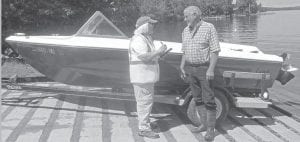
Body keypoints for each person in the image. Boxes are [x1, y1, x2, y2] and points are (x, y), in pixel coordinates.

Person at [180, 6, 221, 141]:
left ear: (195, 14)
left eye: (187, 16)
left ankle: (210, 130)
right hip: (190, 69)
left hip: (204, 69)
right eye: (184, 16)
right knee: (197, 98)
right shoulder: (185, 31)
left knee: (209, 99)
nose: (185, 19)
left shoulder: (209, 27)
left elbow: (215, 50)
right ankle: (203, 125)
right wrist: (182, 66)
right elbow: (184, 52)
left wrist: (210, 69)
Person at [128, 16, 167, 139]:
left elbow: (149, 56)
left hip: (146, 77)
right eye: (151, 24)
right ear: (144, 26)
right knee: (144, 103)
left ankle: (145, 124)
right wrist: (159, 51)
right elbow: (144, 57)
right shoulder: (139, 39)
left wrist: (159, 55)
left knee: (146, 102)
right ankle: (144, 128)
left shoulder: (145, 38)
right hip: (141, 77)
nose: (153, 26)